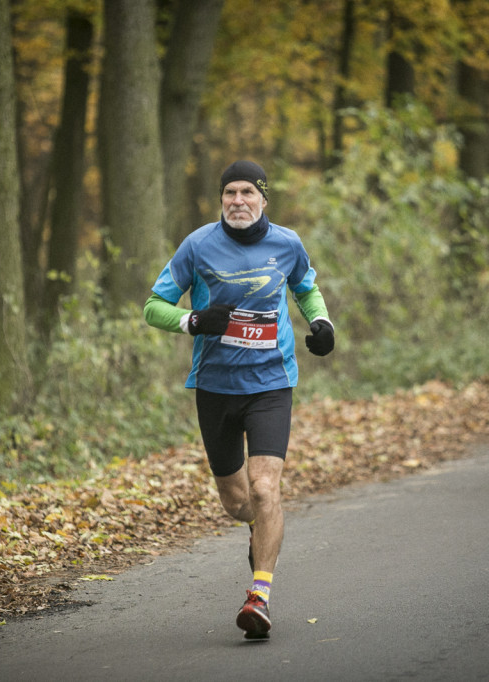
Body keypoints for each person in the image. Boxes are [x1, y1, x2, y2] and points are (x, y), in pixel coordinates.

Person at [143, 160, 335, 639]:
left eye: (248, 192)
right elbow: (153, 306)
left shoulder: (287, 244)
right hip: (215, 387)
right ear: (221, 199)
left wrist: (323, 324)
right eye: (229, 192)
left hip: (271, 384)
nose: (238, 201)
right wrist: (192, 321)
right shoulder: (198, 244)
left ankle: (259, 594)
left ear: (264, 199)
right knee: (237, 501)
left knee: (266, 487)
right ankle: (257, 528)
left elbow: (307, 291)